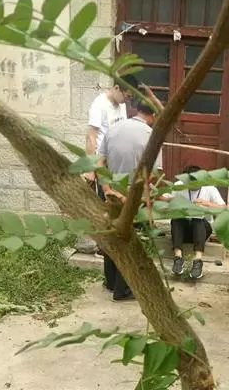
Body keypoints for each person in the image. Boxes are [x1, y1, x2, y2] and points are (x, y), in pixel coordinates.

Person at [98, 101, 163, 301]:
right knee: (131, 240)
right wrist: (136, 196)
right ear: (153, 115)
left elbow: (99, 162)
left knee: (112, 234)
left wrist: (107, 190)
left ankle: (110, 282)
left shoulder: (113, 128)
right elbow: (154, 173)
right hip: (133, 197)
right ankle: (123, 289)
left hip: (112, 194)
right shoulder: (151, 135)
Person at [75, 75, 138, 254]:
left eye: (129, 97)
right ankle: (99, 243)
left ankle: (112, 240)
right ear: (116, 88)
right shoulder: (99, 105)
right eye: (126, 95)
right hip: (100, 162)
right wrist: (90, 168)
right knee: (102, 202)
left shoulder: (121, 106)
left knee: (116, 201)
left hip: (114, 162)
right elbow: (91, 136)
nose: (126, 100)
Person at [165, 165, 226, 279]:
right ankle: (178, 258)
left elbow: (223, 207)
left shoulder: (210, 188)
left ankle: (198, 261)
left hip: (202, 230)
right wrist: (174, 200)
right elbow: (162, 198)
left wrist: (207, 203)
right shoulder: (179, 185)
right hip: (183, 231)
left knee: (198, 219)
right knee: (177, 218)